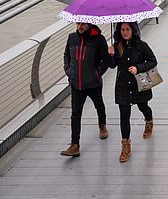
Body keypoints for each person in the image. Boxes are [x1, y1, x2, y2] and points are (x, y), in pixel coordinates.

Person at [108, 21, 158, 163]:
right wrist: (110, 54)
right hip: (123, 86)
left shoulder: (142, 45)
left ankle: (149, 120)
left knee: (143, 107)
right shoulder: (117, 46)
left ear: (133, 30)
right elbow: (112, 66)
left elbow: (153, 61)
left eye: (127, 29)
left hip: (138, 85)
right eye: (122, 29)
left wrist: (138, 68)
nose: (125, 32)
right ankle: (126, 146)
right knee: (124, 116)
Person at [61, 22, 111, 157]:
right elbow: (66, 55)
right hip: (76, 83)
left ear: (89, 24)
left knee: (99, 105)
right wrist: (68, 70)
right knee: (75, 114)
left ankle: (102, 125)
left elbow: (105, 60)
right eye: (78, 23)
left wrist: (96, 74)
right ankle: (74, 145)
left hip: (93, 83)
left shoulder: (99, 39)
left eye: (83, 24)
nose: (79, 26)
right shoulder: (72, 37)